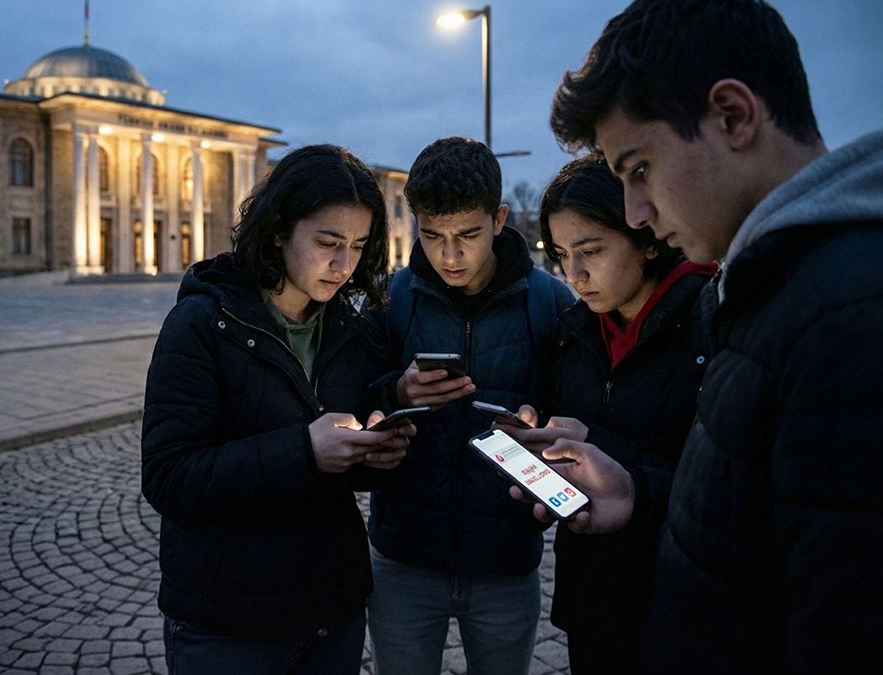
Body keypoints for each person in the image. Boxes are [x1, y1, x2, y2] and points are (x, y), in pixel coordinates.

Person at [523, 0, 883, 671]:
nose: (637, 211)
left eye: (640, 169)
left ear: (733, 116)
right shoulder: (786, 286)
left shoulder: (876, 311)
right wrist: (640, 495)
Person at [141, 144, 414, 674]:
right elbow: (170, 476)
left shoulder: (347, 331)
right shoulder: (202, 324)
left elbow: (339, 465)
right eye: (328, 243)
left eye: (358, 246)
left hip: (330, 615)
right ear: (277, 229)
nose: (344, 265)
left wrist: (376, 454)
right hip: (227, 624)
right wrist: (305, 450)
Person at [365, 136, 575, 675]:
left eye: (467, 235)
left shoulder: (552, 303)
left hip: (505, 560)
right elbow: (346, 400)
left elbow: (578, 415)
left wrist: (539, 425)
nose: (449, 254)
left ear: (500, 219)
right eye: (432, 235)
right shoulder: (393, 298)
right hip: (403, 558)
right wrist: (396, 393)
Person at [500, 155, 715, 673]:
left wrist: (603, 449)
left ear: (646, 239)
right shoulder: (573, 330)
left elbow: (722, 483)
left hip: (685, 605)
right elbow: (562, 426)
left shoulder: (711, 321)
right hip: (593, 597)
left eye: (591, 251)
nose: (574, 274)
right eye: (561, 254)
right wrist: (539, 443)